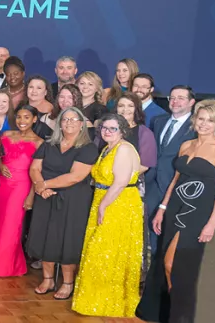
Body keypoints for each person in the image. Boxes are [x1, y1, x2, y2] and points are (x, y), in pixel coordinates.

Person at [138, 99, 215, 323]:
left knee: (175, 265)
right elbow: (175, 180)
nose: (204, 124)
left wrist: (211, 224)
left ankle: (180, 316)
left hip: (197, 213)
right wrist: (162, 208)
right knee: (164, 263)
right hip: (174, 208)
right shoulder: (186, 145)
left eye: (210, 121)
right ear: (194, 119)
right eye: (201, 119)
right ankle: (170, 313)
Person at [72, 113, 144, 317]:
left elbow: (121, 182)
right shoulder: (107, 148)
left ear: (122, 131)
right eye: (104, 127)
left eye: (113, 128)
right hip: (104, 199)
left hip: (118, 203)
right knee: (101, 250)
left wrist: (103, 205)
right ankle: (96, 300)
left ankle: (110, 302)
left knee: (108, 250)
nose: (107, 131)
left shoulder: (123, 148)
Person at [27, 107, 98, 299]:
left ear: (82, 124)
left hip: (73, 200)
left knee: (68, 240)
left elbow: (76, 176)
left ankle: (68, 283)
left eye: (74, 119)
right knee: (46, 237)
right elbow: (34, 168)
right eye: (65, 119)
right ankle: (48, 279)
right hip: (45, 197)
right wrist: (40, 187)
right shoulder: (49, 143)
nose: (69, 123)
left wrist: (44, 184)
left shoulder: (88, 148)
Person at [0, 106, 40, 277]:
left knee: (11, 226)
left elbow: (37, 172)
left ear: (34, 119)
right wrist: (1, 165)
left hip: (21, 186)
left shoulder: (39, 142)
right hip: (2, 184)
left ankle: (3, 268)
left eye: (27, 117)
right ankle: (11, 264)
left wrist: (31, 196)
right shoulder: (6, 135)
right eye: (19, 117)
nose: (22, 121)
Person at [146, 86, 197, 251]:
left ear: (191, 102)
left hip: (177, 187)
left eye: (181, 98)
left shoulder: (196, 128)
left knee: (168, 233)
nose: (175, 101)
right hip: (152, 184)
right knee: (148, 229)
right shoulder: (159, 121)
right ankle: (148, 269)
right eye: (172, 97)